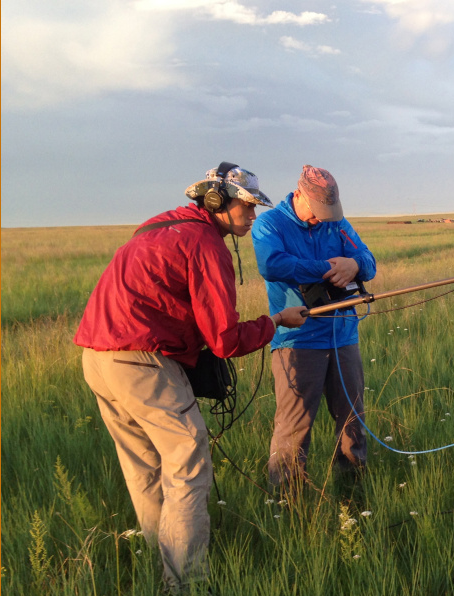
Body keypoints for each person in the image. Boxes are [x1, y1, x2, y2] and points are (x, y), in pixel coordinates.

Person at [74, 162, 308, 594]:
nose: (253, 215)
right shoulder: (204, 243)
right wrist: (276, 321)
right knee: (188, 462)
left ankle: (160, 560)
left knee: (143, 466)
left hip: (97, 360)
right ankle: (185, 582)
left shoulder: (158, 226)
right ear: (218, 200)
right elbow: (223, 340)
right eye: (247, 206)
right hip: (142, 362)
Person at [252, 165, 377, 487]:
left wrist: (354, 265)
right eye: (316, 211)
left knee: (352, 420)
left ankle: (353, 493)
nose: (321, 219)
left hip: (343, 335)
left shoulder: (337, 224)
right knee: (294, 427)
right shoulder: (269, 223)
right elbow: (272, 264)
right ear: (298, 195)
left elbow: (368, 260)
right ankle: (287, 502)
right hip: (297, 340)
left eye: (327, 212)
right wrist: (325, 270)